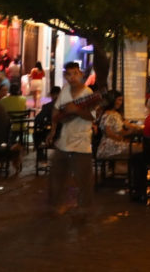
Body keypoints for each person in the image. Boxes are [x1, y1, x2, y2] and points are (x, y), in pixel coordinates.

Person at [46, 62, 98, 214]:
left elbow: (92, 116)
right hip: (64, 139)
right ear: (65, 77)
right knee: (56, 173)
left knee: (84, 178)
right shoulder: (65, 91)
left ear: (81, 74)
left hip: (82, 141)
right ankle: (55, 204)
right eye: (69, 74)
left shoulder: (88, 93)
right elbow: (56, 111)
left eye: (75, 73)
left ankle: (84, 207)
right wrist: (53, 130)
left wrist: (76, 110)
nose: (72, 77)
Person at [96, 90, 138, 159]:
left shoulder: (114, 114)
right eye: (119, 100)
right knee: (141, 148)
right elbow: (108, 133)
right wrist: (130, 131)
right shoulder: (109, 114)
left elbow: (119, 131)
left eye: (121, 100)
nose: (120, 103)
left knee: (139, 148)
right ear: (112, 100)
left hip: (113, 144)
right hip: (110, 146)